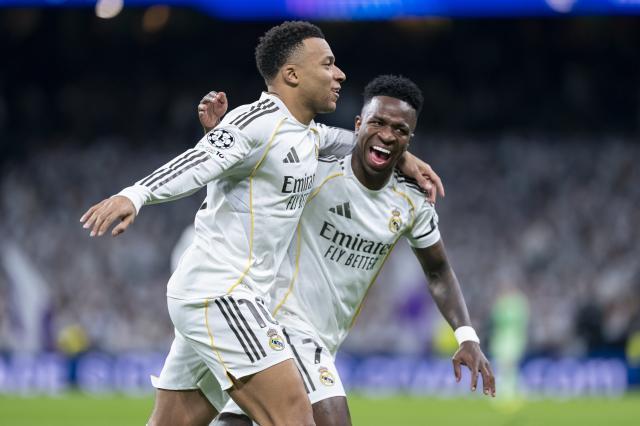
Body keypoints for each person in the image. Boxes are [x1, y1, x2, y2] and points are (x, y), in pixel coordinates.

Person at [80, 22, 441, 426]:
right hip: (222, 294)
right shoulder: (257, 121)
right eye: (327, 64)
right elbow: (199, 160)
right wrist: (137, 194)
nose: (339, 74)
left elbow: (345, 141)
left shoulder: (306, 133)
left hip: (221, 296)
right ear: (292, 74)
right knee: (294, 416)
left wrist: (404, 157)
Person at [193, 75, 495, 426]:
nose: (387, 135)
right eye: (377, 123)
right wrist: (215, 136)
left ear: (409, 140)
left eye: (399, 130)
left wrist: (467, 336)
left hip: (325, 337)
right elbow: (257, 162)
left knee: (240, 420)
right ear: (357, 125)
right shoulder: (314, 167)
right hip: (279, 320)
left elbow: (438, 269)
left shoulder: (412, 200)